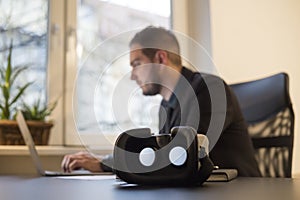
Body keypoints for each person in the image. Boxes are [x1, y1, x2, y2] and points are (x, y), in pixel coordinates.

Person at [62, 26, 261, 177]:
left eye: (137, 64)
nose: (133, 76)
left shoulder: (209, 89)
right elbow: (161, 153)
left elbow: (181, 154)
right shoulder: (166, 106)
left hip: (237, 192)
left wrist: (104, 164)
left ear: (160, 58)